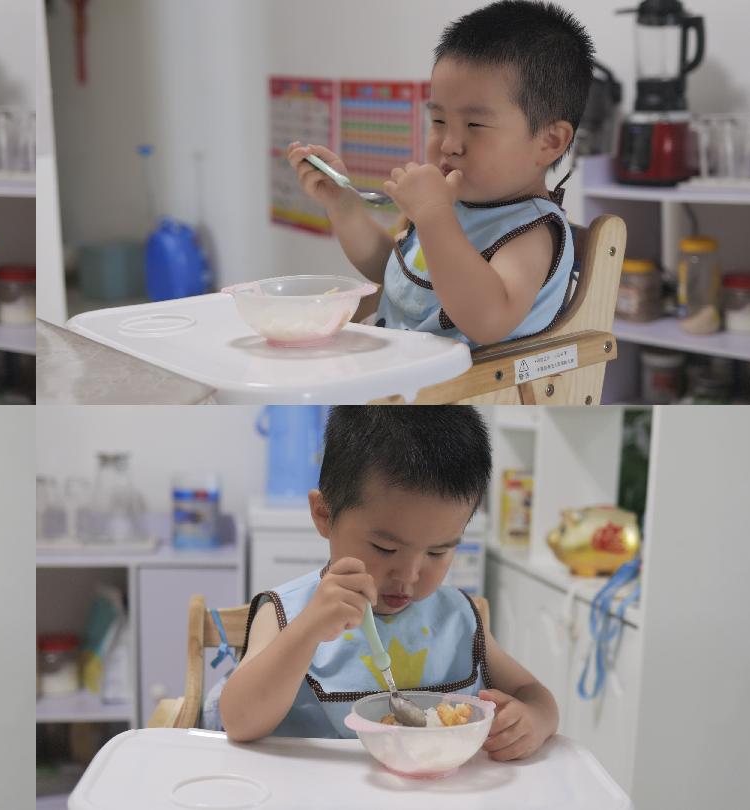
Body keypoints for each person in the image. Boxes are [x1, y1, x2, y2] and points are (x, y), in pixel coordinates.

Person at [217, 406, 558, 762]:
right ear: (324, 515)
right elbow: (239, 722)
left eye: (438, 552)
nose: (409, 575)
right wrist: (307, 630)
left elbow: (533, 693)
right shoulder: (287, 613)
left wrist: (536, 718)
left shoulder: (456, 617)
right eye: (386, 548)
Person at [286, 0, 595, 347]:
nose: (449, 143)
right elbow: (392, 272)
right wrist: (342, 205)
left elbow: (487, 320)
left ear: (549, 142)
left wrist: (434, 216)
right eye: (438, 121)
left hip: (451, 391)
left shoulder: (532, 232)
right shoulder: (454, 204)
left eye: (475, 124)